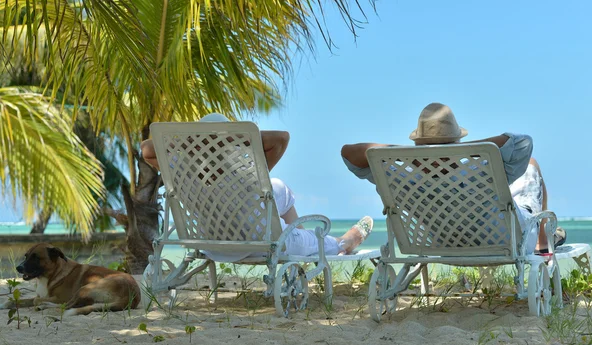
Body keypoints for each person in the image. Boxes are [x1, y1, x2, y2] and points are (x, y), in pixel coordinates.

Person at [141, 113, 373, 262]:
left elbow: (147, 149)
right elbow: (281, 137)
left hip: (211, 245)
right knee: (316, 241)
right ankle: (345, 242)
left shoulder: (183, 174)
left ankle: (298, 232)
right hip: (262, 243)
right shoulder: (244, 176)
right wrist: (228, 137)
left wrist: (195, 140)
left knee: (278, 188)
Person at [341, 102, 564, 254]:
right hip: (509, 241)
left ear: (418, 143)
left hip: (444, 242)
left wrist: (407, 155)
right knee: (532, 165)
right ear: (457, 141)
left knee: (511, 194)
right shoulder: (479, 170)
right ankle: (542, 243)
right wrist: (456, 151)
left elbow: (348, 153)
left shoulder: (402, 179)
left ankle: (544, 240)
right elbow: (522, 143)